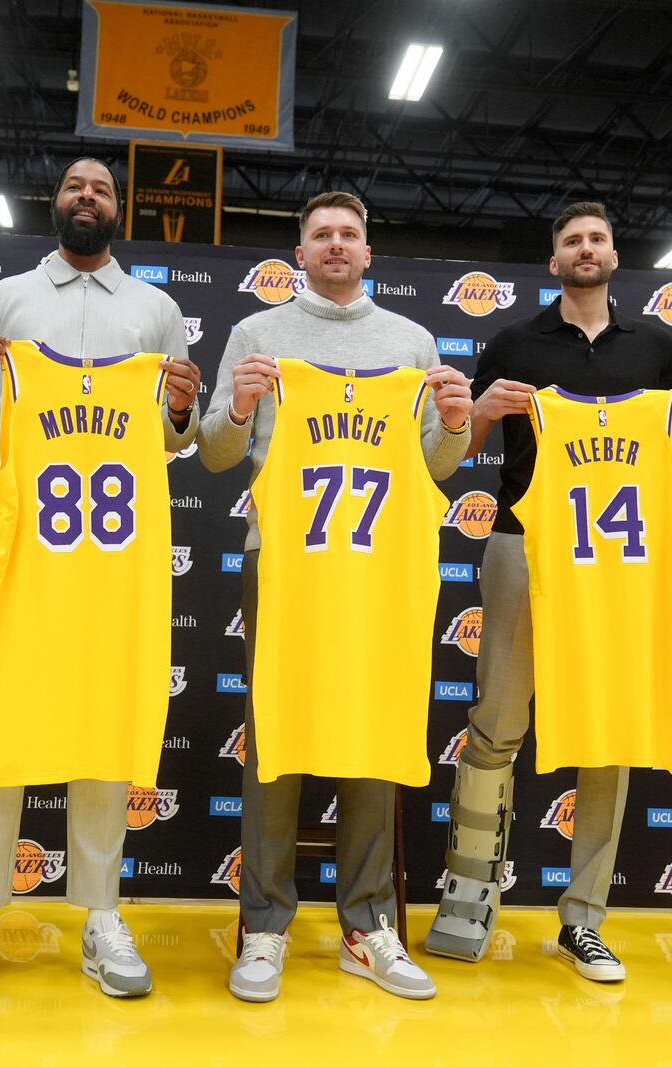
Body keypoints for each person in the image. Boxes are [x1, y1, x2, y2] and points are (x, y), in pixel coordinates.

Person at [0, 157, 201, 1004]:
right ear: (57, 203)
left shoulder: (158, 310)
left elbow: (176, 437)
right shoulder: (5, 297)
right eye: (76, 187)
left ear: (120, 209)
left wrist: (182, 404)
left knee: (106, 717)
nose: (88, 198)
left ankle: (102, 913)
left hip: (114, 548)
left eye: (102, 189)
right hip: (8, 532)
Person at [426, 201, 672, 979]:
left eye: (596, 239)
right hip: (525, 544)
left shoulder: (656, 348)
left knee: (607, 728)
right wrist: (479, 411)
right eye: (570, 241)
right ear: (553, 261)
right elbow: (467, 447)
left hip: (623, 559)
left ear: (615, 255)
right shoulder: (515, 342)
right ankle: (468, 891)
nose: (585, 249)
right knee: (497, 721)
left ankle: (583, 917)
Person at [199, 190, 473, 1003]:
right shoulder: (256, 333)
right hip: (285, 562)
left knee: (374, 734)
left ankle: (365, 923)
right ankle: (264, 924)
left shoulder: (413, 342)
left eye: (349, 234)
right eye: (320, 233)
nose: (335, 245)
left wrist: (455, 421)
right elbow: (215, 452)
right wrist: (241, 404)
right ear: (300, 248)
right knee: (275, 737)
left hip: (382, 566)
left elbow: (438, 467)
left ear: (368, 252)